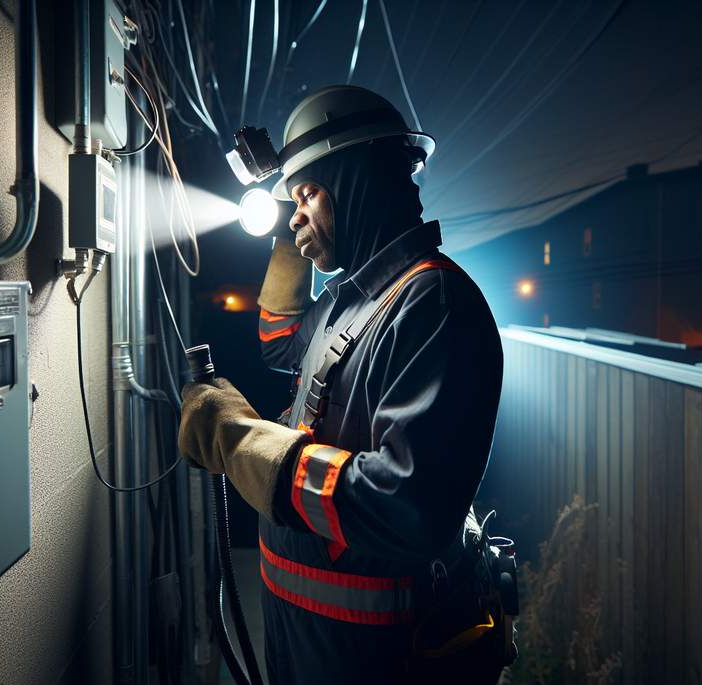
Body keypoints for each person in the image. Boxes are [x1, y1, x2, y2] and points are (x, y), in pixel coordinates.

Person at [178, 85, 505, 684]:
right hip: (309, 635)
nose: (296, 212)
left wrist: (241, 442)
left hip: (377, 659)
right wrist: (293, 233)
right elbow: (278, 341)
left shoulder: (432, 306)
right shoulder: (355, 298)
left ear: (358, 184)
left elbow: (407, 508)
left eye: (307, 194)